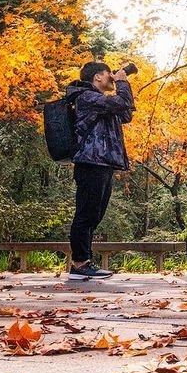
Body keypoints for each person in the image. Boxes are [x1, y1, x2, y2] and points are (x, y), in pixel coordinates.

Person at [62, 60, 134, 279]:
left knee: (95, 213)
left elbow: (127, 113)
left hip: (103, 161)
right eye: (108, 73)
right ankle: (80, 264)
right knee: (86, 213)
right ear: (97, 77)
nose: (111, 77)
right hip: (90, 161)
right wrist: (121, 82)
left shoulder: (102, 101)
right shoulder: (86, 97)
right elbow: (122, 103)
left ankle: (85, 262)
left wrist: (122, 84)